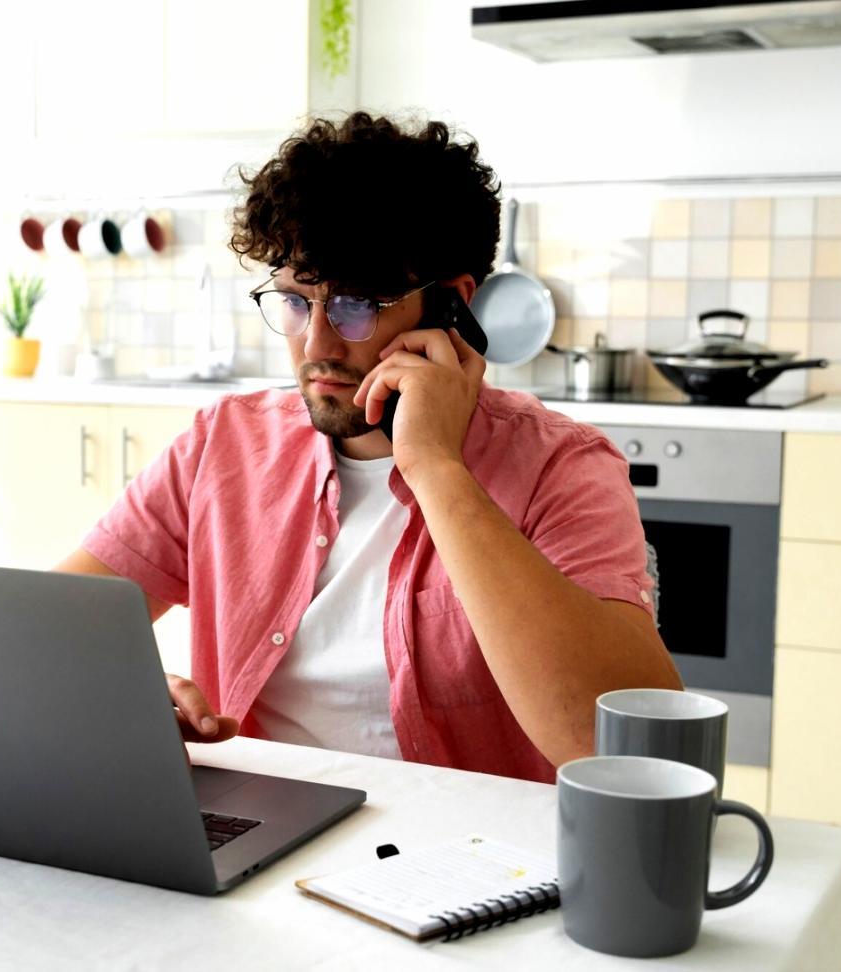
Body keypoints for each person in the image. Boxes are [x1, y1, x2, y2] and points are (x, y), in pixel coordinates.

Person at [55, 113, 681, 783]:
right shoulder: (226, 445)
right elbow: (40, 632)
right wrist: (128, 694)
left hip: (469, 862)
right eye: (296, 301)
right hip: (257, 838)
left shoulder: (561, 466)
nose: (316, 344)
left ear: (451, 304)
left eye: (354, 304)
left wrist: (435, 466)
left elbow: (627, 752)